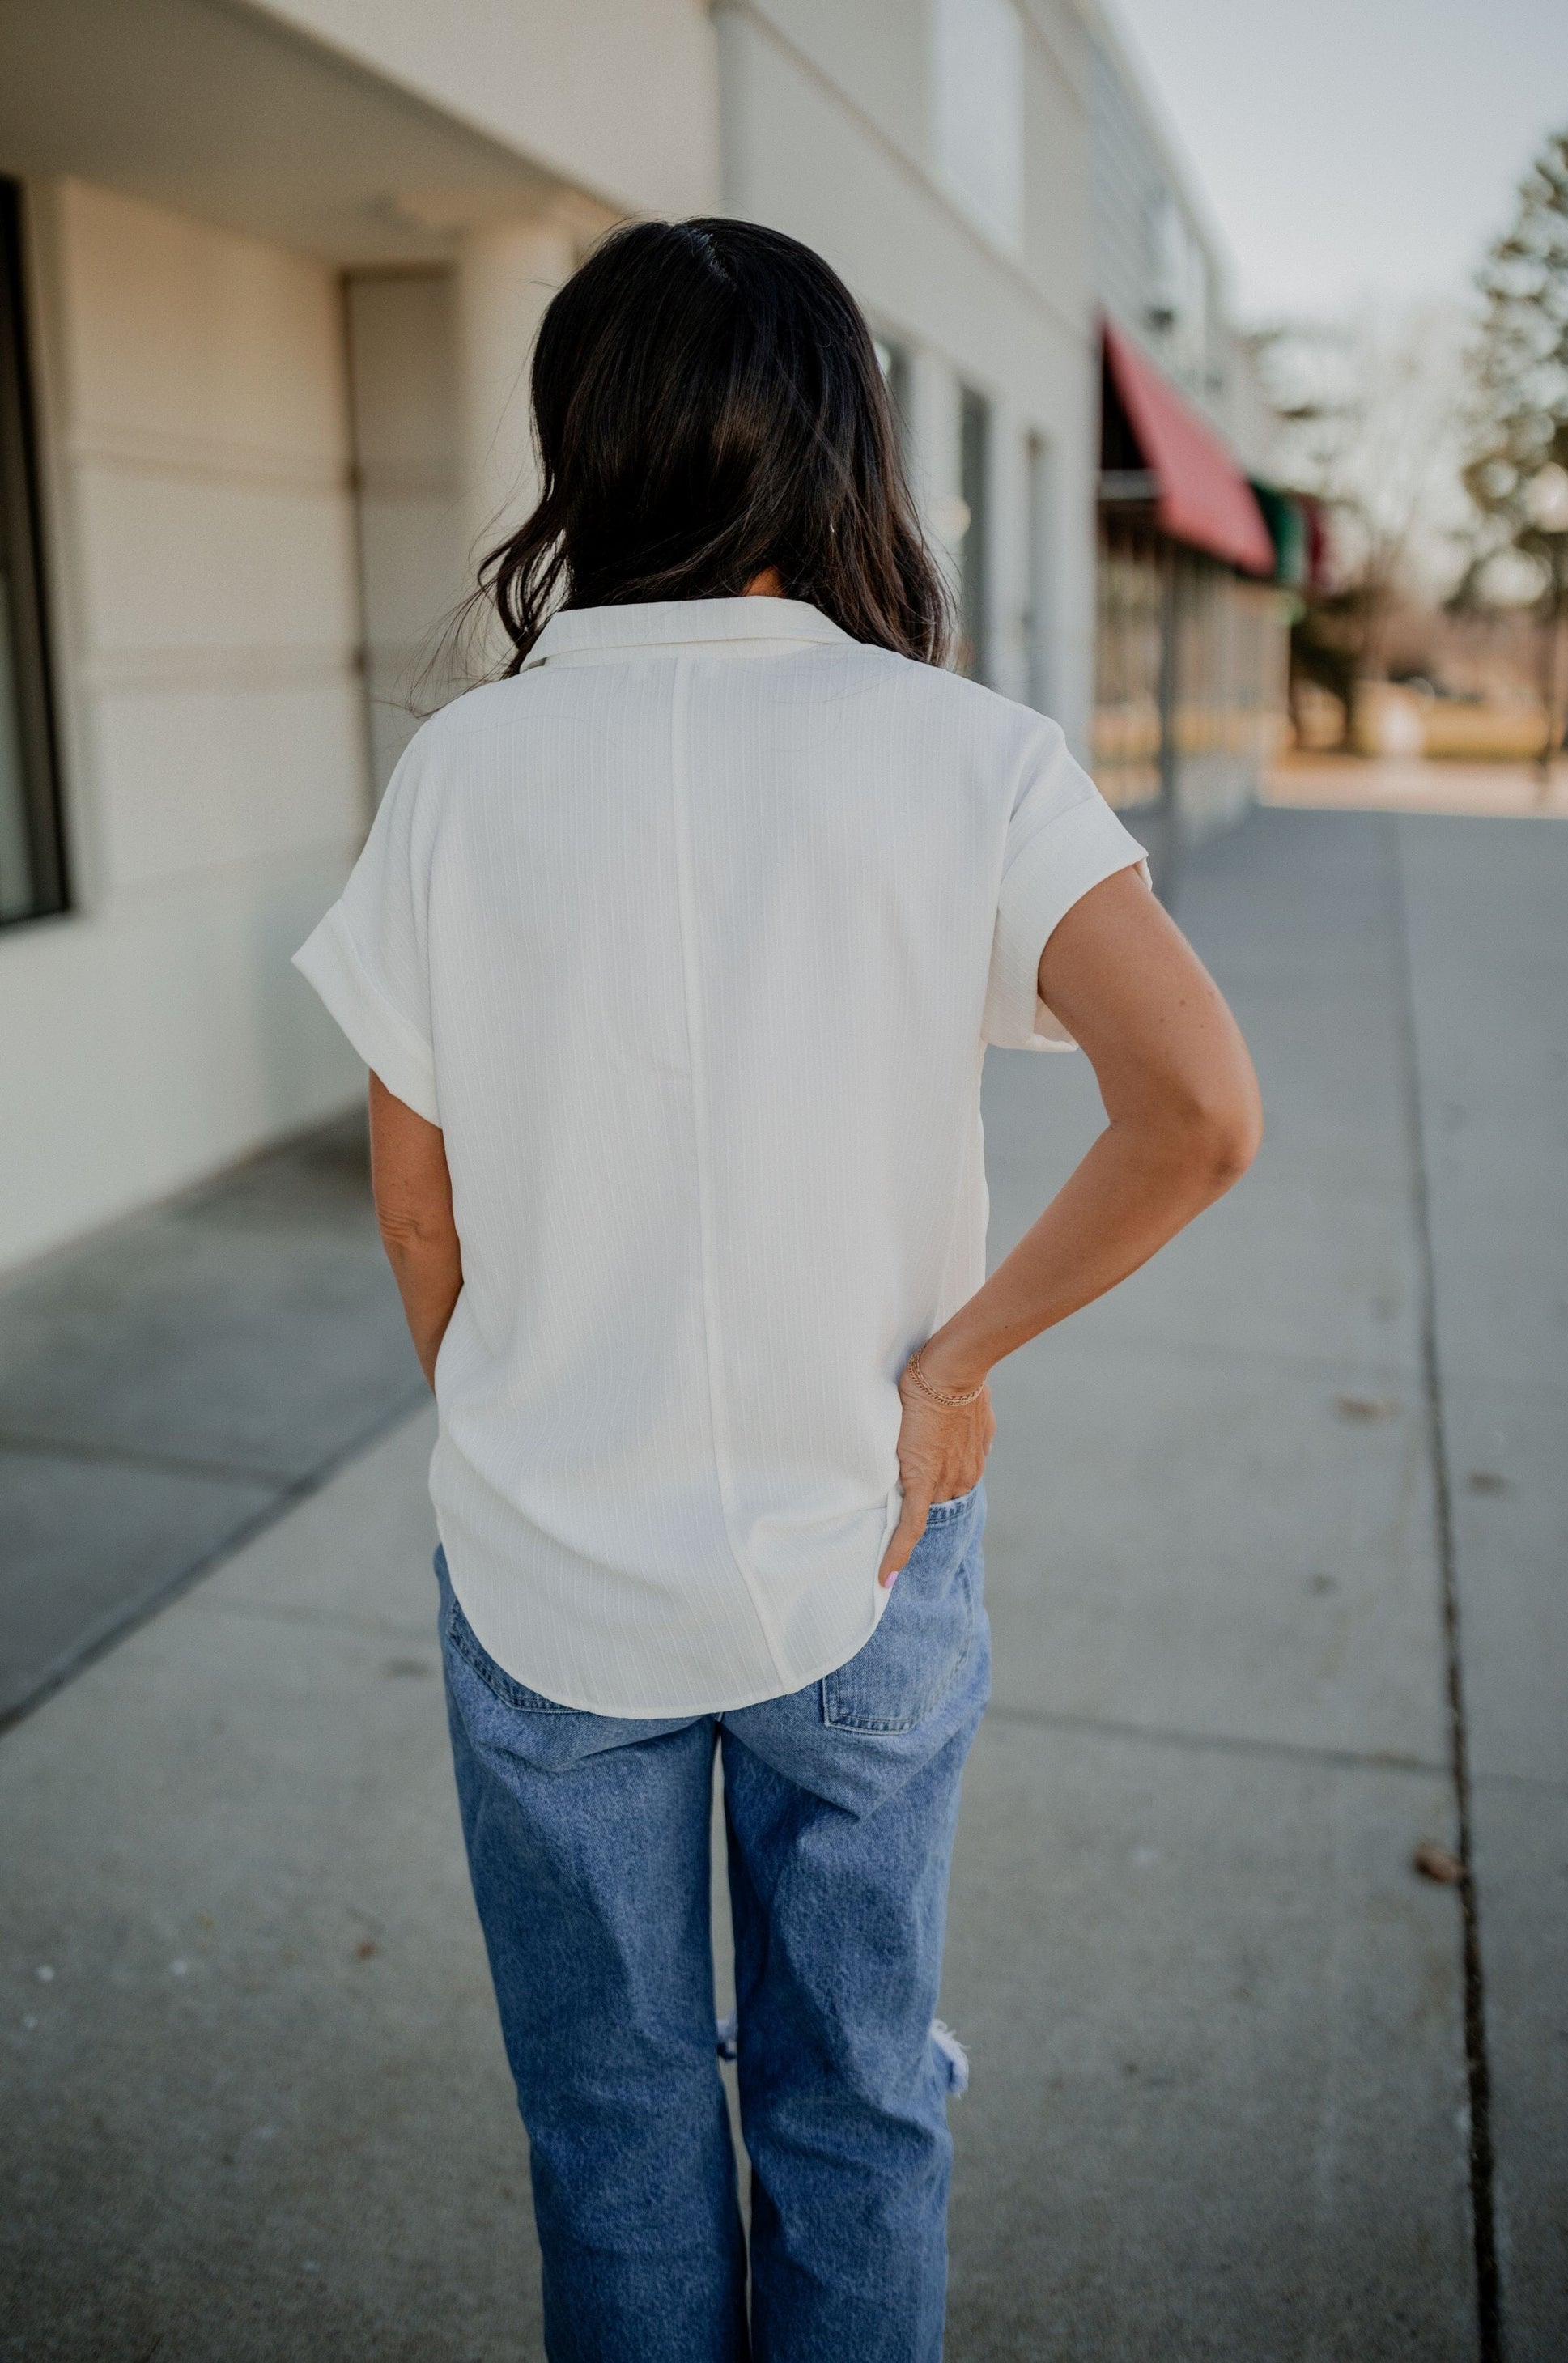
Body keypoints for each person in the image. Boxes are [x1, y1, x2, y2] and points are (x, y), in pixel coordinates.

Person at [292, 218, 1260, 2363]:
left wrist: (512, 1411)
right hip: (868, 1529)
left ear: (583, 446)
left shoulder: (461, 774)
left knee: (612, 2127)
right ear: (843, 448)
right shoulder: (964, 753)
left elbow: (417, 1212)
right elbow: (1194, 1110)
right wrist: (959, 1369)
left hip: (544, 1564)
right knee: (855, 2115)